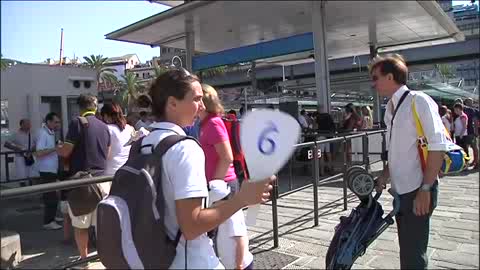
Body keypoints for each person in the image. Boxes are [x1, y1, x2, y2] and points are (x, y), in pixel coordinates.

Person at [138, 68, 273, 269]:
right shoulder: (184, 148)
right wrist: (242, 199)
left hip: (153, 256)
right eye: (196, 99)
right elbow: (192, 226)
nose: (201, 106)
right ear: (172, 103)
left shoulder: (142, 142)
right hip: (190, 261)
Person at [370, 54, 447, 269]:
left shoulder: (418, 101)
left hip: (418, 189)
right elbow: (397, 150)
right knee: (407, 250)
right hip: (401, 192)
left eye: (375, 77)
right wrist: (384, 175)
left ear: (390, 77)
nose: (373, 83)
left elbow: (438, 146)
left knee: (414, 255)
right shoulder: (390, 109)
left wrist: (425, 189)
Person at [56, 94, 111, 259]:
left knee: (81, 226)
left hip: (82, 183)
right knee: (101, 225)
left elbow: (66, 151)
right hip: (102, 181)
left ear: (79, 107)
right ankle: (105, 257)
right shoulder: (104, 126)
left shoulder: (77, 123)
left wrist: (58, 148)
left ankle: (84, 260)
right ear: (95, 107)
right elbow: (106, 154)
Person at [199, 84, 240, 195]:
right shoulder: (206, 124)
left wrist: (214, 186)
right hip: (219, 184)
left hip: (223, 185)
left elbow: (227, 157)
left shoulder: (213, 123)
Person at [209, 180, 253, 270]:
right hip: (230, 264)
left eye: (213, 205)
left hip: (241, 265)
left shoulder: (233, 216)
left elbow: (241, 241)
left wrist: (239, 265)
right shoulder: (223, 214)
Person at [34, 112, 63, 230]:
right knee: (50, 197)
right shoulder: (42, 133)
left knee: (54, 195)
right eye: (56, 122)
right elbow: (39, 153)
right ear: (49, 122)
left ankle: (52, 217)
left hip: (52, 169)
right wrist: (55, 148)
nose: (58, 124)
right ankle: (48, 221)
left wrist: (56, 146)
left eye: (58, 122)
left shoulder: (50, 133)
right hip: (46, 170)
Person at [100, 102, 135, 176]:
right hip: (127, 170)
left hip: (110, 173)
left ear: (106, 116)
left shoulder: (107, 129)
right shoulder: (130, 128)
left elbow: (104, 153)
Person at [3, 118, 36, 185]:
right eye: (27, 124)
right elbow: (6, 144)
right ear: (22, 125)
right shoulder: (16, 134)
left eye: (29, 124)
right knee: (21, 176)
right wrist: (17, 149)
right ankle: (23, 190)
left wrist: (32, 150)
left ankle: (31, 189)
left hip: (30, 156)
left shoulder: (32, 134)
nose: (29, 125)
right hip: (20, 158)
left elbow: (35, 143)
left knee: (31, 175)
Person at [463, 98, 479, 168]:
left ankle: (476, 162)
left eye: (471, 102)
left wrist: (476, 131)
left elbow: (475, 121)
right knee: (466, 147)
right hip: (465, 132)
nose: (470, 103)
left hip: (471, 132)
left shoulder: (473, 111)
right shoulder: (464, 110)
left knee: (474, 147)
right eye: (469, 102)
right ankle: (471, 161)